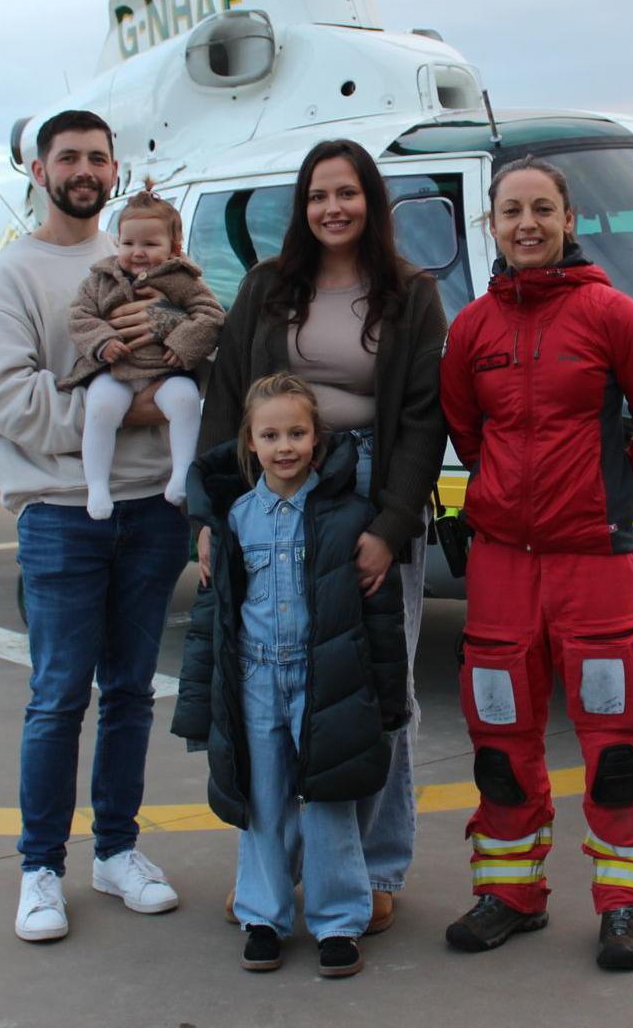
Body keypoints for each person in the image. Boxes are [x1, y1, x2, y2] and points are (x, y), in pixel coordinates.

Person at [437, 156, 633, 971]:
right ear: (493, 225)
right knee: (500, 740)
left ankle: (623, 904)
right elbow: (466, 432)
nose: (527, 224)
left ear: (569, 218)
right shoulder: (471, 330)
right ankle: (509, 895)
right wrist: (512, 502)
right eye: (512, 211)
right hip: (502, 564)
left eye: (542, 209)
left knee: (615, 743)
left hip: (595, 561)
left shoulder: (615, 316)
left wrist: (606, 498)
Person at [196, 138, 448, 932]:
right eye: (317, 195)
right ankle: (286, 866)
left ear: (371, 201)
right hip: (274, 489)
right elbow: (227, 395)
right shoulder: (270, 288)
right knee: (269, 687)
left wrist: (392, 526)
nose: (332, 208)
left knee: (371, 687)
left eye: (347, 192)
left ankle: (375, 866)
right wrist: (211, 516)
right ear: (300, 207)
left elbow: (420, 418)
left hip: (370, 491)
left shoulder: (412, 293)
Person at [0, 109, 190, 942]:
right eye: (68, 157)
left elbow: (192, 350)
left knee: (132, 691)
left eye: (98, 156)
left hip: (151, 511)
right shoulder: (13, 277)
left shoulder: (140, 257)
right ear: (38, 169)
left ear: (115, 168)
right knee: (59, 696)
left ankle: (117, 850)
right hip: (62, 515)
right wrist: (132, 412)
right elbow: (8, 402)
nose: (84, 169)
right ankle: (39, 868)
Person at [172, 374, 410, 978]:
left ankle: (338, 922)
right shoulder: (233, 521)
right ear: (249, 443)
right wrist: (200, 700)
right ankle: (263, 916)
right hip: (254, 680)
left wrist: (387, 697)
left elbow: (378, 615)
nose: (285, 446)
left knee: (329, 799)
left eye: (297, 433)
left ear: (317, 440)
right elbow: (214, 618)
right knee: (263, 798)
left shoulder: (349, 517)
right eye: (271, 434)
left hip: (323, 679)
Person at [58, 187, 224, 518]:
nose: (137, 253)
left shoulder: (182, 279)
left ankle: (180, 476)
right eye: (128, 243)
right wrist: (103, 341)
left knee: (186, 401)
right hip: (116, 370)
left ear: (174, 247)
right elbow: (80, 316)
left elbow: (212, 316)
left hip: (164, 371)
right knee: (100, 408)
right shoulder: (101, 279)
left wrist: (181, 342)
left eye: (150, 244)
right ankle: (98, 486)